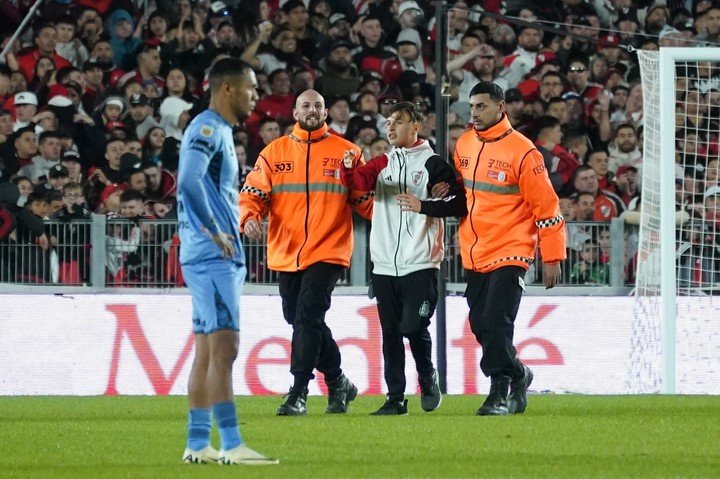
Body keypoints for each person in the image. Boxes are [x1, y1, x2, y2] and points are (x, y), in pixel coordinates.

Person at [240, 89, 374, 417]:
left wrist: (397, 210)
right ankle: (338, 381)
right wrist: (249, 217)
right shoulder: (274, 152)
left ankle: (299, 391)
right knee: (300, 319)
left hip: (329, 249)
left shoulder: (349, 152)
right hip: (286, 250)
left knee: (308, 317)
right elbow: (252, 192)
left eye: (317, 105)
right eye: (305, 106)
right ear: (295, 112)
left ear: (325, 111)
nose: (312, 110)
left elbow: (365, 200)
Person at [176, 57, 277, 466]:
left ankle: (198, 444)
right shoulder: (207, 129)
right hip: (213, 257)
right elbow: (187, 180)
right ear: (228, 89)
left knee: (205, 351)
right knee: (225, 348)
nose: (256, 97)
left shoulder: (216, 130)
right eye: (251, 89)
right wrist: (213, 230)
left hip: (208, 256)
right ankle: (232, 445)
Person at [340, 101, 467, 415]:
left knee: (413, 325)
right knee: (391, 334)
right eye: (388, 122)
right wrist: (346, 169)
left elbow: (460, 203)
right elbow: (358, 183)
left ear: (416, 126)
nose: (391, 127)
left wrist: (423, 206)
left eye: (399, 121)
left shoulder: (434, 164)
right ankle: (396, 398)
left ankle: (426, 375)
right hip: (384, 264)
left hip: (421, 262)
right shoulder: (383, 162)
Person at [454, 81, 566, 416]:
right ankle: (520, 373)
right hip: (475, 251)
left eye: (482, 106)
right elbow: (464, 195)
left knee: (496, 321)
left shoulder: (524, 152)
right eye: (472, 106)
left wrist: (553, 255)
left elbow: (547, 207)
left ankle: (498, 392)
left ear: (501, 107)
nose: (474, 113)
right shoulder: (464, 144)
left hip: (511, 250)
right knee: (480, 325)